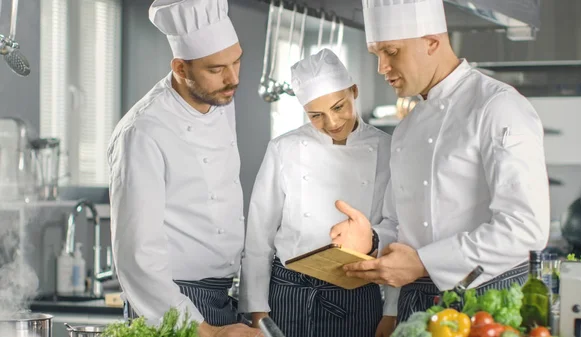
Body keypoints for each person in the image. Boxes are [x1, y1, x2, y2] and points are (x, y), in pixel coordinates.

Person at [329, 0, 551, 330]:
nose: (382, 67)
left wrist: (422, 263)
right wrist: (372, 240)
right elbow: (399, 223)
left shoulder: (498, 107)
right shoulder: (406, 127)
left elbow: (525, 229)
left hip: (484, 302)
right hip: (413, 304)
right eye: (377, 54)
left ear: (432, 41)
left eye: (391, 52)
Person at [107, 0, 261, 336]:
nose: (233, 78)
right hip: (170, 301)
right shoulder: (143, 131)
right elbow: (137, 256)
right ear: (180, 68)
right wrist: (206, 331)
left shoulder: (219, 100)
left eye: (237, 61)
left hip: (222, 294)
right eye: (216, 69)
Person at [238, 48, 398, 337]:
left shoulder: (388, 149)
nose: (332, 122)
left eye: (339, 107)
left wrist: (392, 312)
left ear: (354, 91)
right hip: (288, 293)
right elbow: (259, 236)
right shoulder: (283, 148)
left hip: (356, 293)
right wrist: (257, 310)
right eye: (316, 115)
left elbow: (396, 230)